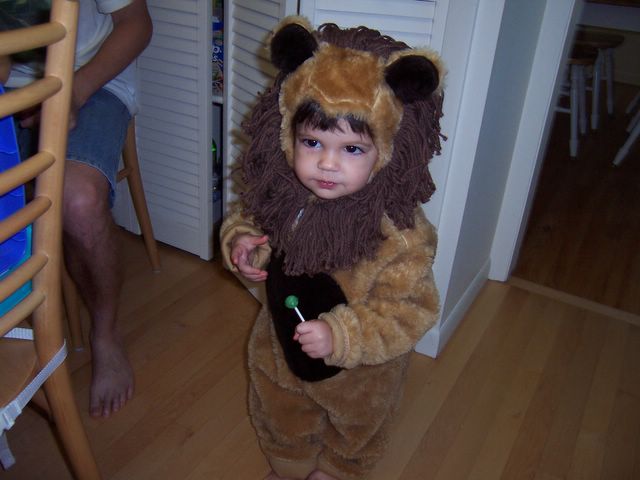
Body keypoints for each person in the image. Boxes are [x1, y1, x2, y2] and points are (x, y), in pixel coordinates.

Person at [220, 17, 445, 480]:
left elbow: (411, 310)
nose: (326, 163)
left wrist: (340, 336)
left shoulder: (401, 235)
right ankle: (288, 461)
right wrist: (242, 243)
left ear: (387, 150)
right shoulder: (280, 193)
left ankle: (340, 468)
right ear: (287, 133)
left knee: (358, 422)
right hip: (278, 345)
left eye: (352, 149)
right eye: (312, 142)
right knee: (277, 405)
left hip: (360, 368)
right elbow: (248, 218)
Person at [3, 0, 153, 418]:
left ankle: (105, 333)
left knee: (78, 199)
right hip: (9, 88)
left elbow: (136, 23)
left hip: (92, 75)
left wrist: (72, 92)